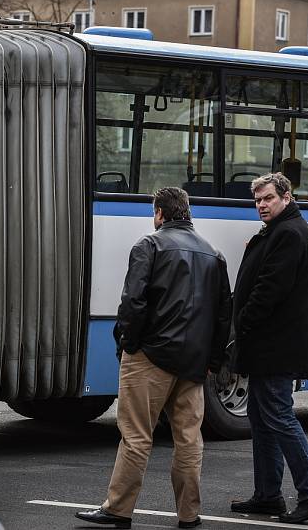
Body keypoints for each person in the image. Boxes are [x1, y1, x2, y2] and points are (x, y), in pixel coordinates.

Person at [76, 187, 231, 529]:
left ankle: (118, 509)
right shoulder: (213, 254)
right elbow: (223, 315)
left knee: (135, 435)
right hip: (193, 363)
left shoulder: (149, 245)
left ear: (160, 213)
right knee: (189, 439)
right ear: (187, 212)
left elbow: (134, 302)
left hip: (150, 357)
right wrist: (213, 362)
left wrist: (128, 344)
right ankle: (189, 515)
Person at [230, 172, 308, 523]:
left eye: (268, 198)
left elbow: (270, 289)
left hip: (277, 345)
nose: (261, 205)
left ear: (286, 197)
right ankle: (268, 495)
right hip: (270, 344)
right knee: (262, 419)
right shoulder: (281, 231)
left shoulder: (289, 233)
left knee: (277, 416)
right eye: (258, 200)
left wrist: (242, 319)